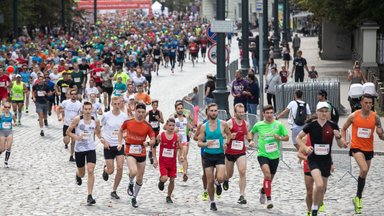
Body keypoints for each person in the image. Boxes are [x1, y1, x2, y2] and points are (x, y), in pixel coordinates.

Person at [296, 102, 347, 216]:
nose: (324, 113)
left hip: (326, 161)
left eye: (326, 111)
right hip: (313, 160)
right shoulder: (311, 125)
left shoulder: (333, 125)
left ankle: (315, 209)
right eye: (321, 111)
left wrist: (339, 137)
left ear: (328, 112)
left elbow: (339, 144)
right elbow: (298, 138)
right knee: (318, 185)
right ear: (317, 112)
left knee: (323, 189)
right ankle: (313, 209)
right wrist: (305, 147)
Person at [341, 94, 384, 214]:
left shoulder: (375, 117)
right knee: (364, 169)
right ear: (361, 103)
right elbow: (343, 128)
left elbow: (381, 135)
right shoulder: (353, 116)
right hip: (356, 147)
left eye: (370, 103)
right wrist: (344, 140)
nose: (368, 105)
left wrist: (381, 134)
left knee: (363, 174)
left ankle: (358, 197)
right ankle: (359, 198)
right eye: (366, 103)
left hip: (369, 149)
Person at [250, 105, 289, 209]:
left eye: (271, 113)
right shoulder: (259, 125)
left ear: (274, 113)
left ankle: (263, 190)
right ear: (263, 114)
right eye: (267, 113)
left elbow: (287, 137)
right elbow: (251, 132)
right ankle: (269, 199)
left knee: (269, 179)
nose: (269, 115)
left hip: (275, 156)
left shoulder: (278, 125)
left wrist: (279, 138)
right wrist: (251, 140)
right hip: (263, 154)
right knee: (267, 175)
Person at [118, 103, 155, 208]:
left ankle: (134, 197)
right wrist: (120, 143)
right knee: (133, 171)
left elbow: (153, 139)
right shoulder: (128, 122)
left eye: (143, 112)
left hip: (141, 152)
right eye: (139, 112)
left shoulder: (147, 126)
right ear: (135, 112)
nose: (140, 114)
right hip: (130, 150)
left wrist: (148, 143)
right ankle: (130, 182)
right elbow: (120, 131)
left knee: (140, 178)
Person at [197, 103, 232, 211]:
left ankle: (218, 183)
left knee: (221, 178)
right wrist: (206, 144)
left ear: (217, 112)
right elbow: (199, 142)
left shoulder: (223, 124)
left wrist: (226, 143)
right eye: (211, 111)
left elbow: (229, 135)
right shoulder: (204, 126)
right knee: (210, 180)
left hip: (219, 155)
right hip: (208, 156)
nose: (213, 112)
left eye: (215, 110)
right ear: (208, 112)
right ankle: (212, 202)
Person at [66, 101, 102, 206]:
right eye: (85, 109)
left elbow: (98, 132)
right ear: (82, 109)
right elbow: (68, 132)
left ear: (92, 109)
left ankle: (89, 196)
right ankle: (77, 174)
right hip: (79, 150)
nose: (87, 111)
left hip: (91, 148)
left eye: (89, 109)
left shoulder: (95, 120)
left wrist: (102, 139)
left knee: (90, 170)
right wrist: (76, 137)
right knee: (82, 174)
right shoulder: (78, 119)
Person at [223, 103, 254, 204]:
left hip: (241, 151)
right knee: (229, 174)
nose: (242, 114)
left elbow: (247, 133)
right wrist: (229, 136)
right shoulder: (229, 123)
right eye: (239, 112)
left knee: (242, 171)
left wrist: (250, 141)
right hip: (230, 152)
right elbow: (223, 134)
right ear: (235, 113)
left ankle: (242, 195)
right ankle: (225, 179)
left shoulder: (246, 123)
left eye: (243, 112)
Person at [100, 96, 128, 200]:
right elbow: (99, 129)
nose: (117, 106)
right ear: (111, 104)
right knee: (111, 170)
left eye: (118, 104)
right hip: (109, 145)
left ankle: (114, 190)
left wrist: (124, 135)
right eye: (115, 104)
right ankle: (105, 170)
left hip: (120, 144)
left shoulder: (124, 116)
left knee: (120, 167)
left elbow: (126, 130)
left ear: (121, 103)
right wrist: (103, 140)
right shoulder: (106, 115)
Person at [153, 118, 183, 203]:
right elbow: (154, 146)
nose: (171, 127)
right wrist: (154, 158)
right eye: (169, 125)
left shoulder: (177, 137)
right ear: (166, 126)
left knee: (172, 180)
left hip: (172, 162)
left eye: (173, 125)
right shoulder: (161, 136)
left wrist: (181, 156)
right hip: (163, 162)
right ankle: (161, 181)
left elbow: (181, 148)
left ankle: (169, 196)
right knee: (165, 178)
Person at [57, 90, 82, 161]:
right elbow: (58, 109)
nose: (73, 95)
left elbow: (81, 114)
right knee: (66, 141)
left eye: (75, 94)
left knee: (73, 141)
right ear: (70, 95)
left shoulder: (79, 104)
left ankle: (71, 155)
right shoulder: (65, 102)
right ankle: (66, 143)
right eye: (72, 94)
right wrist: (59, 117)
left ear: (76, 95)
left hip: (74, 125)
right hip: (67, 124)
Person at [173, 102, 193, 181]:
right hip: (175, 141)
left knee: (184, 156)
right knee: (177, 157)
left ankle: (185, 173)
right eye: (178, 108)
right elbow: (166, 127)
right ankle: (172, 171)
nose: (180, 110)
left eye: (181, 108)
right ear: (176, 109)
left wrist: (191, 131)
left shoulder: (185, 119)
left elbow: (190, 127)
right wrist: (174, 130)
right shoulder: (173, 118)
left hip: (184, 140)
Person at [146, 100, 164, 164]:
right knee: (152, 140)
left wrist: (158, 119)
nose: (155, 106)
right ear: (152, 105)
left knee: (155, 142)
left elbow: (163, 122)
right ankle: (152, 153)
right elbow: (143, 118)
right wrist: (147, 123)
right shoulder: (149, 112)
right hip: (151, 129)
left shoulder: (159, 112)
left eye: (156, 105)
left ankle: (151, 151)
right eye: (154, 105)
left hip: (156, 129)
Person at [0, 102, 14, 168]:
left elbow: (14, 121)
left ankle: (6, 161)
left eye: (9, 107)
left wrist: (14, 123)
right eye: (6, 107)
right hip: (2, 132)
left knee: (8, 147)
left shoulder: (12, 115)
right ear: (4, 107)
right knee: (2, 149)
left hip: (9, 132)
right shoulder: (1, 115)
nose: (7, 109)